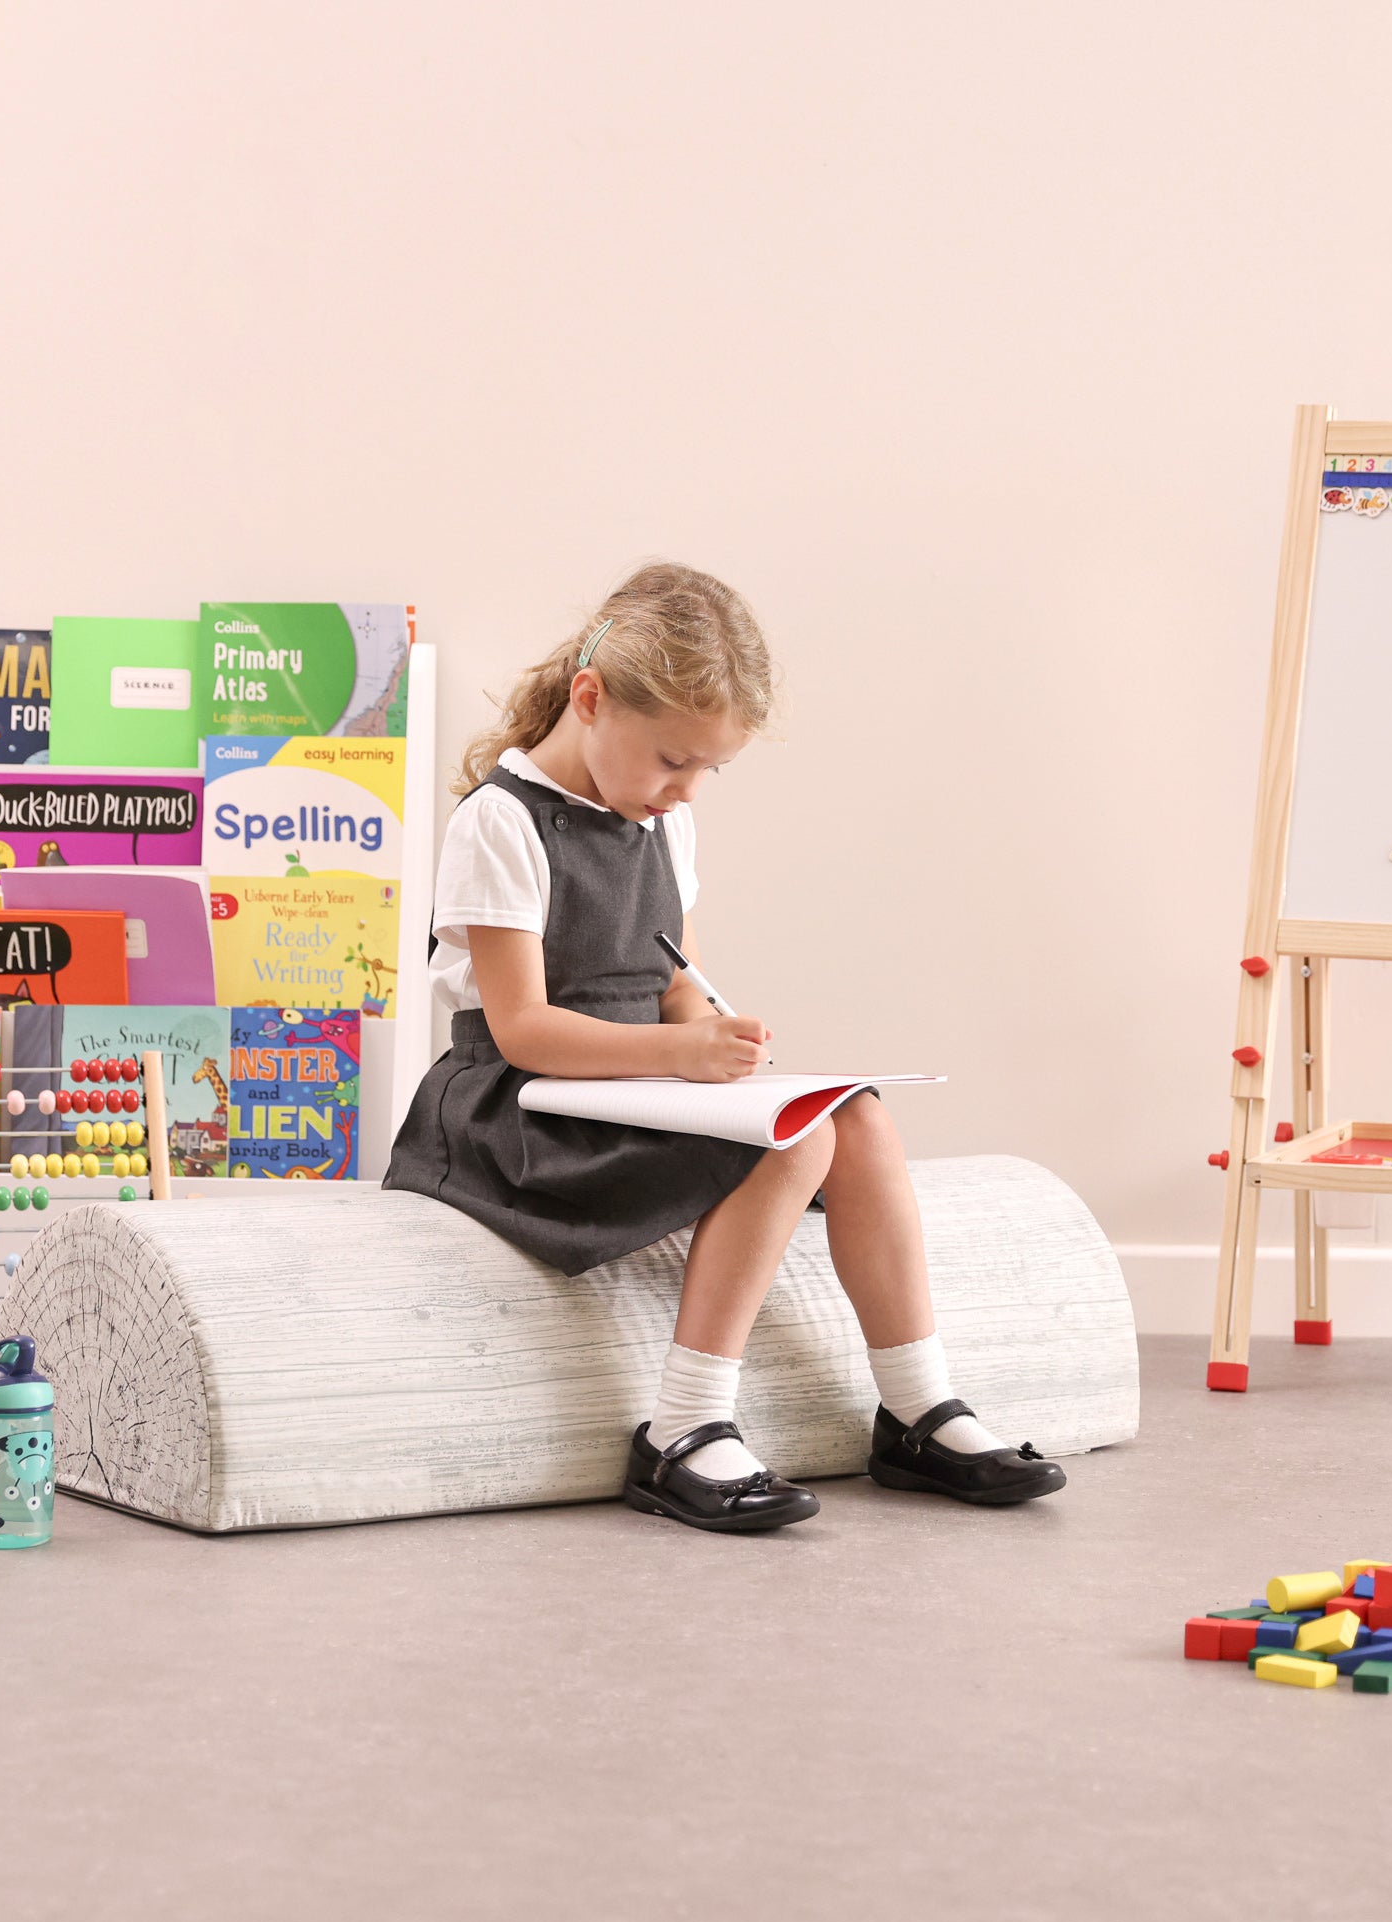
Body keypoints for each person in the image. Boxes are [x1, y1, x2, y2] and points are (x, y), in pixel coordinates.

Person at [385, 563, 1065, 1533]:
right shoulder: (500, 821)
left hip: (627, 1086)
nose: (686, 789)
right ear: (590, 699)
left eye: (710, 770)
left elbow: (675, 983)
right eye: (673, 760)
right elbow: (521, 1030)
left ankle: (918, 1408)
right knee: (789, 1141)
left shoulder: (665, 824)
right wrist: (681, 1056)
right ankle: (684, 1426)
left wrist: (716, 1034)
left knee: (858, 1120)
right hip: (519, 1107)